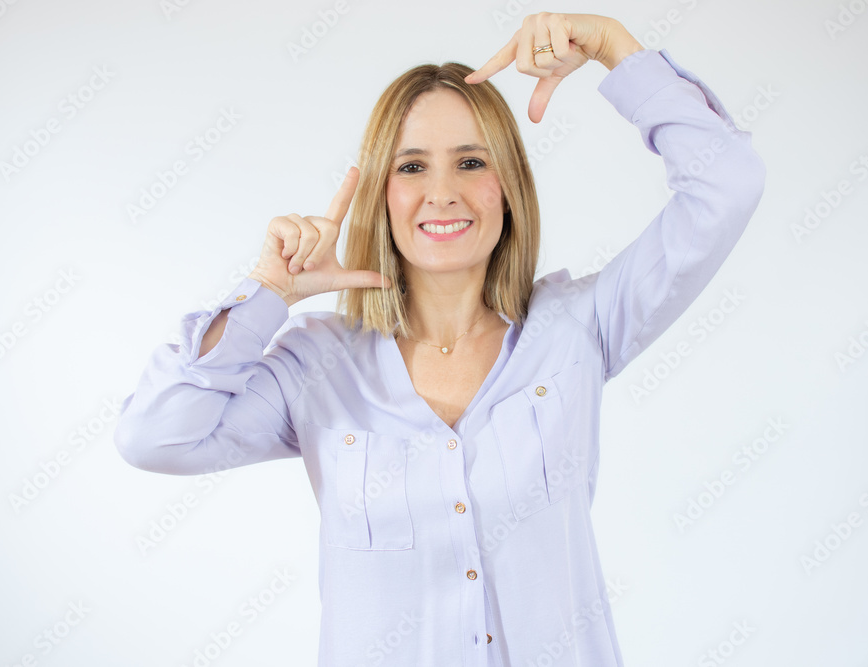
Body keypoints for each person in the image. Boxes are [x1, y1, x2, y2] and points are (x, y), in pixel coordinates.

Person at [114, 11, 766, 667]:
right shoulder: (315, 365)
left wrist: (608, 45)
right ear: (380, 192)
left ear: (506, 186)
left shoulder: (579, 327)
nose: (443, 193)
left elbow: (727, 182)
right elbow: (154, 435)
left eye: (471, 161)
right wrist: (267, 291)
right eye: (413, 166)